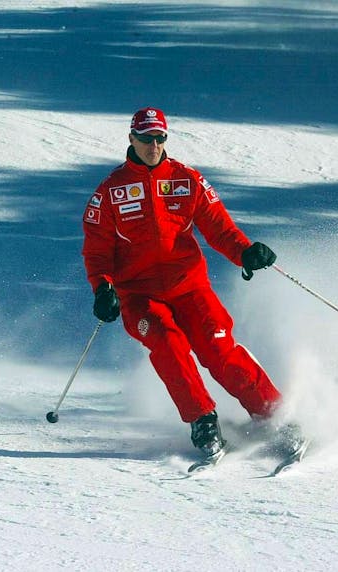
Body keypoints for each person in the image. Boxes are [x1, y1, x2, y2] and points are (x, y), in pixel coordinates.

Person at [81, 107, 297, 459]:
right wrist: (103, 288)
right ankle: (203, 421)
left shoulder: (187, 180)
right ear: (131, 138)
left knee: (217, 347)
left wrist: (245, 252)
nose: (153, 145)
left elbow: (219, 227)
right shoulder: (110, 192)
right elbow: (97, 251)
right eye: (146, 138)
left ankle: (272, 414)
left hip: (189, 287)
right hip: (139, 294)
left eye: (159, 137)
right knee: (168, 344)